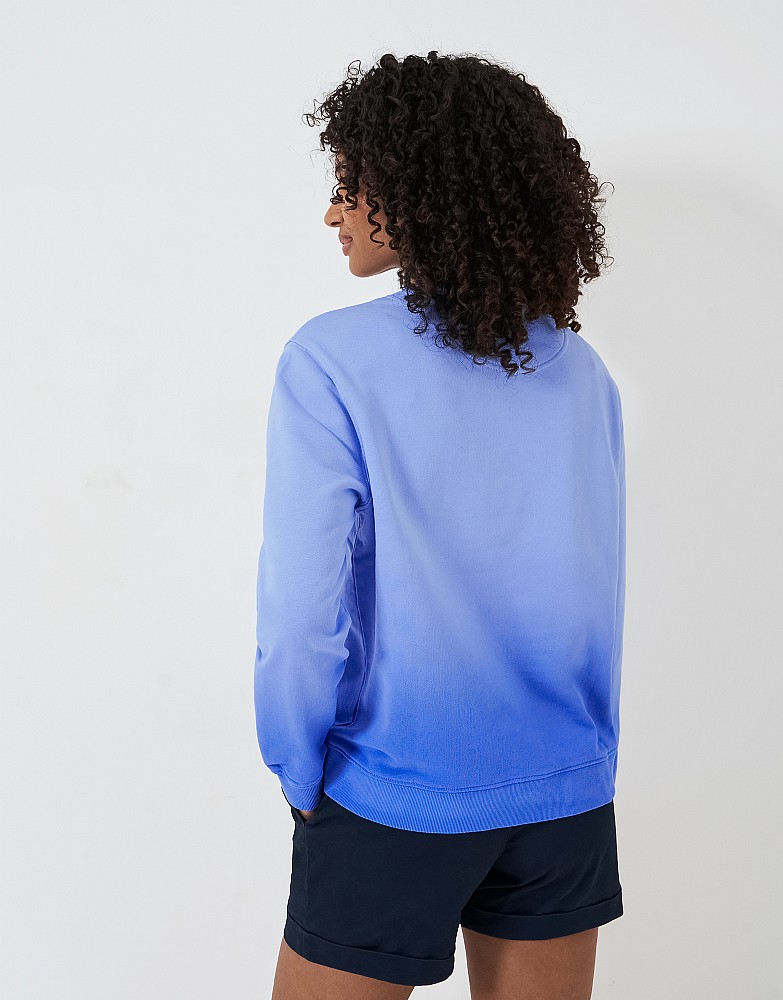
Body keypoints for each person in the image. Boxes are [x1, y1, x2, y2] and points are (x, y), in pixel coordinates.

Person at [254, 50, 626, 999]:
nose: (332, 213)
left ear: (418, 193)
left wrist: (298, 767)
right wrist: (585, 762)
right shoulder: (580, 373)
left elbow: (300, 609)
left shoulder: (330, 360)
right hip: (563, 792)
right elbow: (593, 593)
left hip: (395, 791)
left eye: (350, 185)